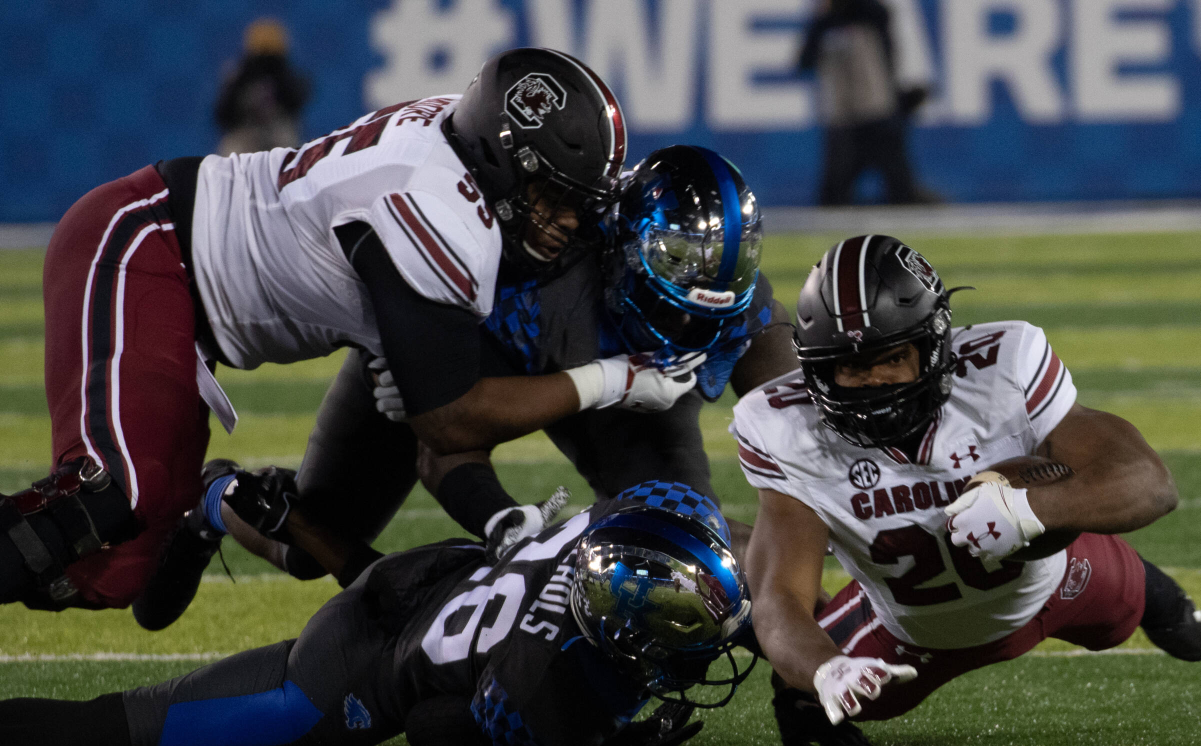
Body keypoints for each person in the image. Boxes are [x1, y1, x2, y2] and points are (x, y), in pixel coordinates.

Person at [0, 48, 700, 619]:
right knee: (110, 495)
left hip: (191, 297)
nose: (571, 221)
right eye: (556, 197)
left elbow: (432, 408)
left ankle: (206, 504)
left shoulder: (458, 163)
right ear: (501, 162)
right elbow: (450, 423)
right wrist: (615, 380)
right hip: (147, 246)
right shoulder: (440, 208)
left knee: (114, 575)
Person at [156, 146, 798, 626]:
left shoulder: (737, 307)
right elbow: (447, 440)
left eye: (706, 312)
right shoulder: (528, 270)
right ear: (622, 255)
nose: (685, 326)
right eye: (672, 304)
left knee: (685, 540)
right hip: (479, 372)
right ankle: (217, 495)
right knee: (312, 540)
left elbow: (801, 420)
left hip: (638, 396)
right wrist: (498, 520)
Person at [731, 235, 1201, 746]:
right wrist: (827, 670)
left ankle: (1144, 579)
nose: (870, 381)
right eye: (847, 366)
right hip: (908, 630)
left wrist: (1032, 510)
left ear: (934, 345)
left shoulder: (1003, 368)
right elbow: (780, 599)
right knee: (818, 692)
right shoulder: (782, 425)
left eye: (891, 357)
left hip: (1060, 580)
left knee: (1156, 625)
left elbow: (1150, 483)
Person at [0, 484, 754, 746]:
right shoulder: (546, 695)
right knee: (129, 727)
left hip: (423, 577)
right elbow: (431, 725)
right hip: (340, 679)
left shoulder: (634, 514)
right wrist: (610, 735)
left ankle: (251, 506)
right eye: (667, 620)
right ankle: (227, 508)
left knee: (391, 601)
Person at [798, 0, 927, 205]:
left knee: (900, 188)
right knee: (834, 194)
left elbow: (891, 58)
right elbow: (804, 61)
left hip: (878, 113)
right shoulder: (824, 24)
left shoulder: (873, 14)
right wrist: (824, 19)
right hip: (843, 120)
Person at [214, 18, 312, 155]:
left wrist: (280, 78)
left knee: (288, 147)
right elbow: (222, 115)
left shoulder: (287, 76)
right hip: (245, 132)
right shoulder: (238, 75)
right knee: (234, 151)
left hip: (278, 132)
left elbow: (296, 103)